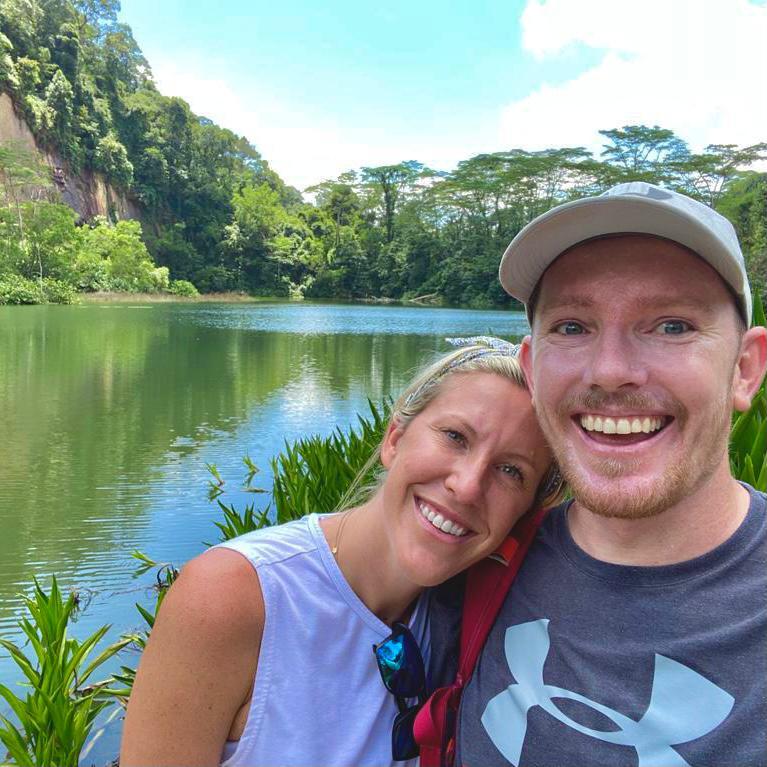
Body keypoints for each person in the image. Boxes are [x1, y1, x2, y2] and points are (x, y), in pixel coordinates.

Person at [120, 341, 562, 767]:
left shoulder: (476, 614)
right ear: (394, 438)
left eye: (511, 471)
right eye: (454, 436)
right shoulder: (233, 596)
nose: (467, 486)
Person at [448, 182, 767, 766]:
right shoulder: (475, 554)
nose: (612, 371)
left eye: (672, 326)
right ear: (533, 367)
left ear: (745, 369)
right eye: (572, 327)